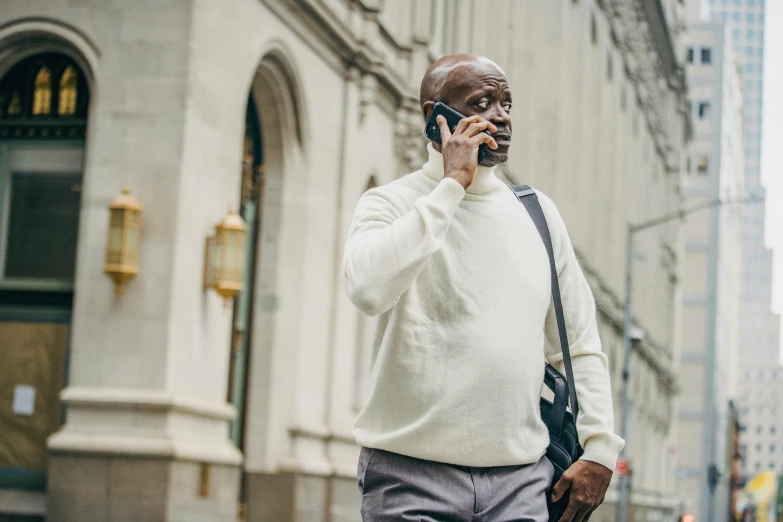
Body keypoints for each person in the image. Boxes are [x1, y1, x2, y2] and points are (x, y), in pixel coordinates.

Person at [343, 54, 624, 522]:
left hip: (521, 481)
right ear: (438, 119)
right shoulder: (391, 204)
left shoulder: (537, 215)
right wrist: (452, 185)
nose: (502, 116)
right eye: (483, 102)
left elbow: (578, 343)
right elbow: (368, 289)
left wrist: (599, 448)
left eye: (507, 103)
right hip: (409, 478)